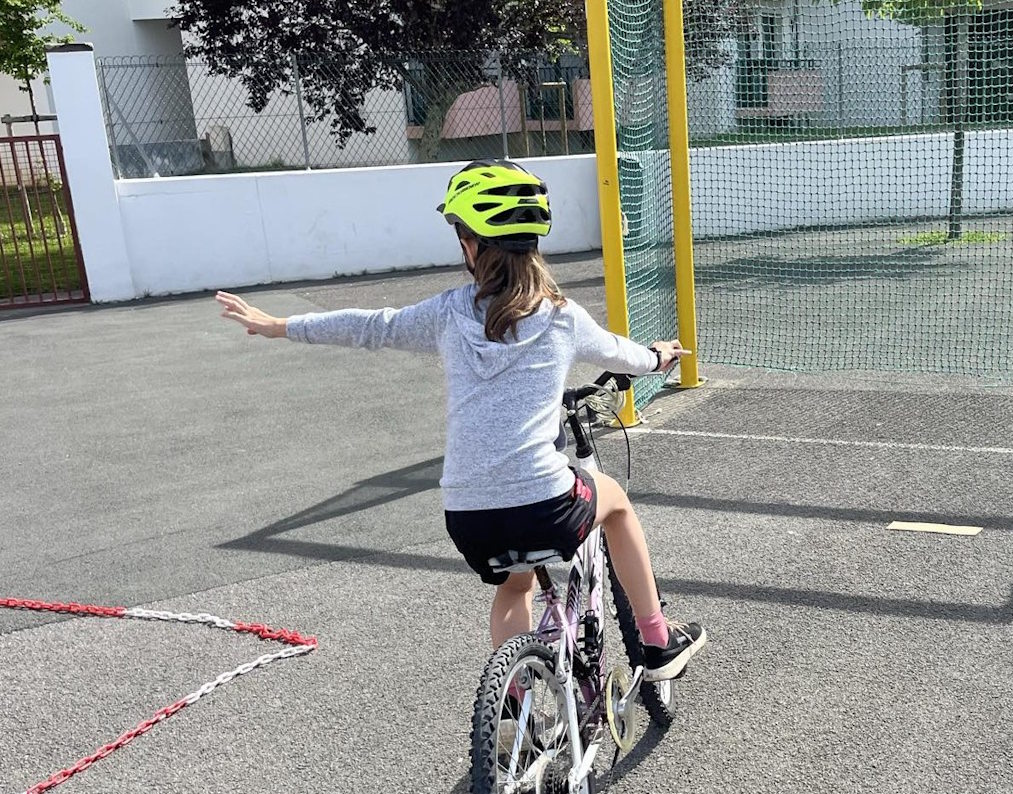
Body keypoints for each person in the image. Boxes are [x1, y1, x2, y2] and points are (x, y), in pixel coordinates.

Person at [215, 159, 707, 682]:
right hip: (545, 502)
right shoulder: (562, 316)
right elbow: (620, 355)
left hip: (468, 514)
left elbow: (370, 327)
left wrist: (279, 325)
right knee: (618, 505)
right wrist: (659, 357)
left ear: (472, 246)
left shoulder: (447, 313)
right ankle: (656, 639)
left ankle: (514, 716)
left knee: (515, 586)